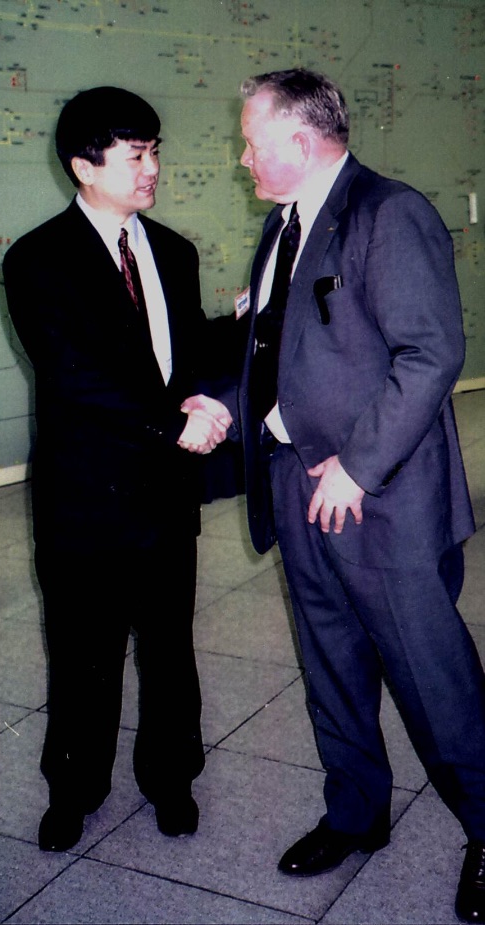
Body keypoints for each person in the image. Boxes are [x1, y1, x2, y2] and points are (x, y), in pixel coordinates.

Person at [187, 67, 485, 924]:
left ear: (300, 141)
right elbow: (281, 354)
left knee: (432, 676)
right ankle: (358, 812)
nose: (242, 156)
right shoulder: (284, 228)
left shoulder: (388, 214)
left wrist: (356, 466)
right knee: (331, 667)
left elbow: (430, 354)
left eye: (251, 140)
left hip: (376, 496)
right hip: (296, 485)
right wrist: (229, 405)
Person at [2, 86, 230, 853]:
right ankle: (75, 788)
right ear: (82, 165)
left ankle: (172, 779)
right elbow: (75, 374)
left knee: (170, 650)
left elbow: (184, 352)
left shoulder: (174, 251)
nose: (153, 169)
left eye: (156, 150)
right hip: (85, 504)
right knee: (82, 656)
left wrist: (242, 334)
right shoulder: (37, 259)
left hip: (164, 501)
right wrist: (174, 422)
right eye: (136, 155)